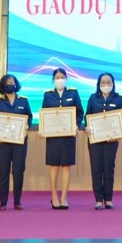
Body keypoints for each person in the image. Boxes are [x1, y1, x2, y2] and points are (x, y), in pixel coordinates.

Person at [41, 68, 84, 210]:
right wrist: (43, 128)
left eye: (62, 77)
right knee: (54, 166)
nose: (60, 79)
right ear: (53, 80)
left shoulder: (73, 93)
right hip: (53, 136)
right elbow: (44, 114)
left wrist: (76, 125)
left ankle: (64, 197)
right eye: (57, 77)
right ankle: (54, 196)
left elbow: (80, 112)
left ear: (66, 79)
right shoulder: (48, 95)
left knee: (66, 166)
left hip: (68, 136)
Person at [84, 73, 122, 210]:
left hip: (111, 140)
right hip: (95, 140)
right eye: (103, 82)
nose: (106, 85)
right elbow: (87, 116)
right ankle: (98, 200)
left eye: (109, 82)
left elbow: (121, 118)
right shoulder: (93, 98)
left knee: (109, 168)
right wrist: (87, 127)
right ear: (98, 84)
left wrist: (118, 133)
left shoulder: (118, 98)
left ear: (113, 84)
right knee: (96, 168)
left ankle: (108, 199)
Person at [0, 74, 32, 210]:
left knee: (18, 171)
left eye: (12, 82)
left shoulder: (23, 101)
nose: (10, 84)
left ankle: (17, 201)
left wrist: (27, 126)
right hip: (3, 143)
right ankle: (3, 202)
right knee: (3, 171)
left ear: (16, 84)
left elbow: (29, 117)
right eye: (7, 83)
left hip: (20, 142)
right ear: (3, 86)